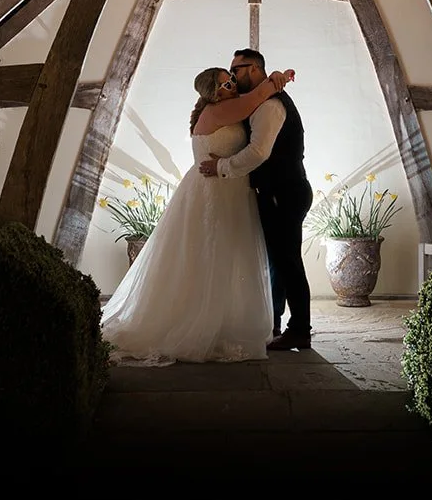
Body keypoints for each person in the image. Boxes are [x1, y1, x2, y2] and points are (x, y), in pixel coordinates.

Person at [99, 63, 295, 365]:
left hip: (227, 188)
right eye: (226, 83)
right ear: (214, 94)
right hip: (215, 191)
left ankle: (221, 321)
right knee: (211, 256)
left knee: (224, 257)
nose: (232, 84)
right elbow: (254, 99)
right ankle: (199, 325)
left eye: (231, 79)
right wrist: (277, 79)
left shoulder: (220, 111)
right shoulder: (219, 112)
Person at [199, 48, 314, 351]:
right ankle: (273, 323)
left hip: (284, 191)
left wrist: (221, 167)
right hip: (278, 190)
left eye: (236, 70)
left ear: (253, 69)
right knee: (277, 262)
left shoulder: (270, 107)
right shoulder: (260, 100)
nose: (233, 76)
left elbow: (258, 153)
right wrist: (278, 78)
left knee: (288, 262)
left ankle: (299, 329)